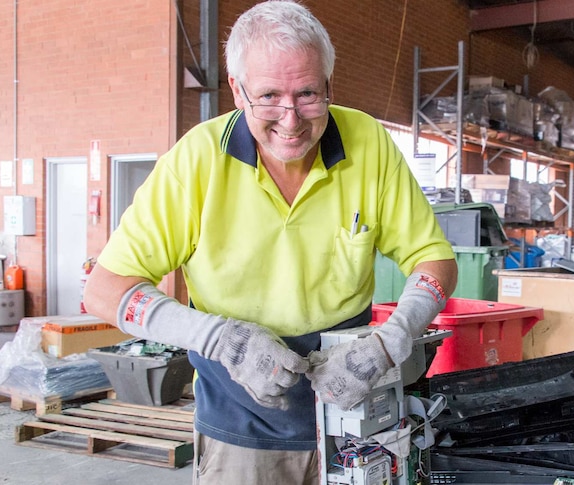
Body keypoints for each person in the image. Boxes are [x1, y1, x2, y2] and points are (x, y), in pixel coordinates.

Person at [82, 1, 457, 483]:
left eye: (307, 94)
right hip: (241, 431)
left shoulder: (369, 143)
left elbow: (434, 258)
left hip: (357, 420)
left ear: (329, 86)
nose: (291, 118)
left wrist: (392, 340)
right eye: (268, 96)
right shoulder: (196, 162)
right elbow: (103, 290)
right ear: (237, 90)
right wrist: (221, 339)